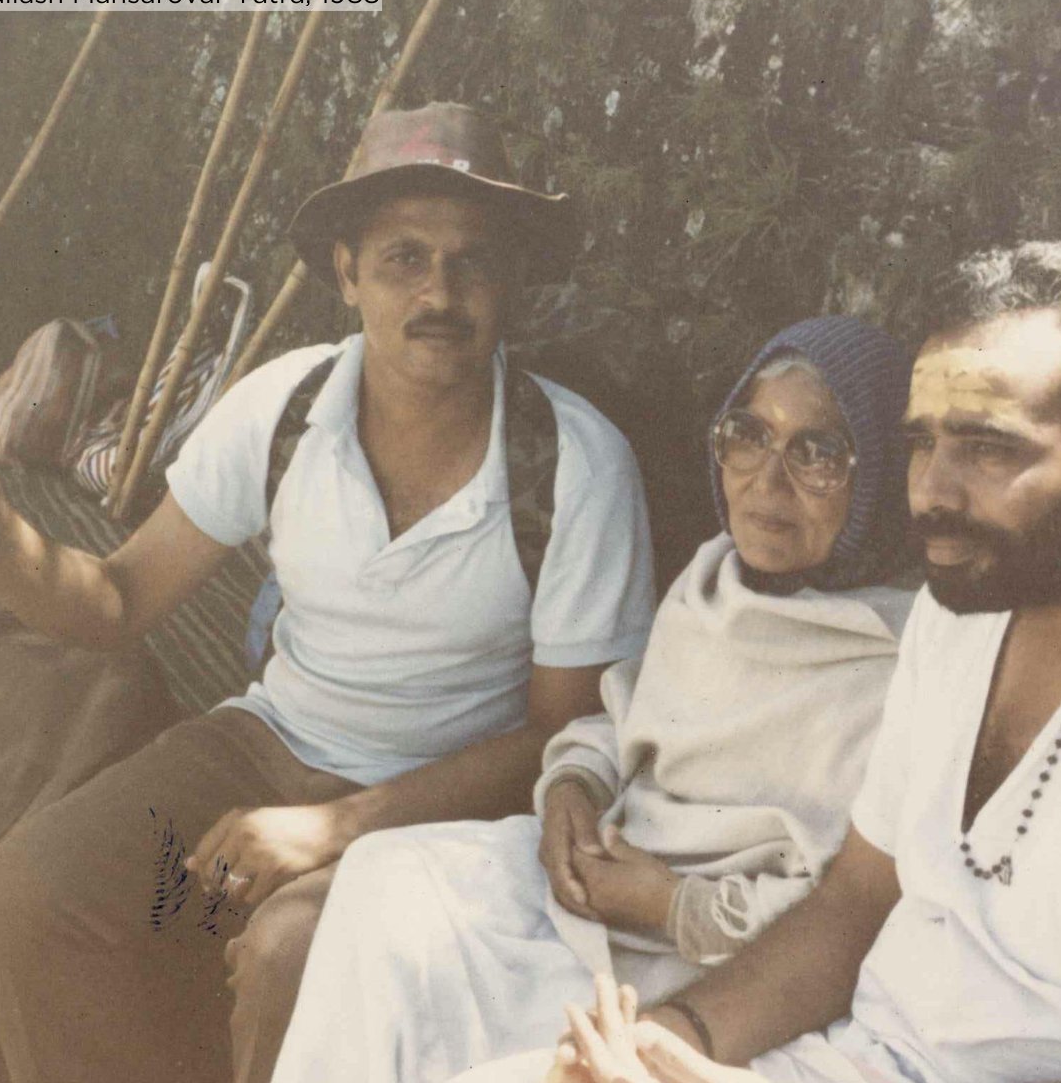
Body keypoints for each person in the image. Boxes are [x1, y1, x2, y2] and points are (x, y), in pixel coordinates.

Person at [0, 102, 658, 1083]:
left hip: (453, 815)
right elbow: (114, 602)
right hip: (267, 750)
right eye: (402, 258)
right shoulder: (286, 409)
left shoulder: (573, 465)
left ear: (509, 280)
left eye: (470, 260)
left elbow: (561, 740)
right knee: (43, 890)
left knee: (292, 953)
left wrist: (336, 828)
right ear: (345, 273)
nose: (439, 292)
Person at [495, 241, 1061, 1083]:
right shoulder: (964, 613)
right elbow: (853, 906)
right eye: (921, 443)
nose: (932, 495)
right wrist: (665, 1046)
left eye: (988, 448)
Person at [270, 315, 918, 1083]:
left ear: (878, 474)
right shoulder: (715, 579)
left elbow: (847, 914)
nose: (768, 480)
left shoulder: (898, 661)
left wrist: (671, 905)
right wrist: (572, 788)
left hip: (699, 961)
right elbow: (623, 715)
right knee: (385, 877)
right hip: (599, 876)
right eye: (749, 434)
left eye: (817, 453)